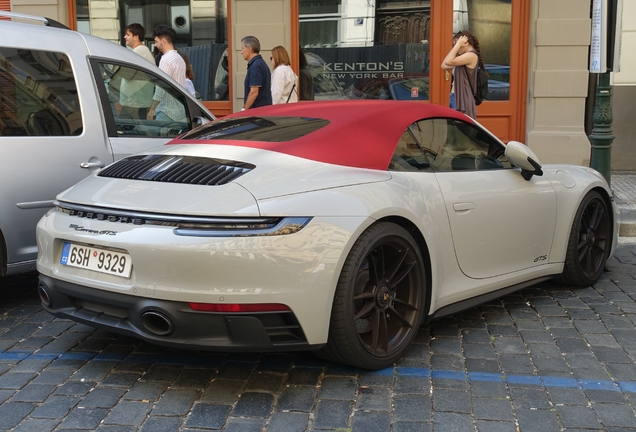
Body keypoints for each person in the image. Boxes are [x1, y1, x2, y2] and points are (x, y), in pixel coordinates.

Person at [441, 30, 485, 119]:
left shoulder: (471, 56)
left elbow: (449, 61)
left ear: (465, 43)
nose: (456, 47)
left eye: (457, 44)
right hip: (456, 97)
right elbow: (444, 65)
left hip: (462, 99)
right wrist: (457, 46)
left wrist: (457, 46)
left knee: (459, 129)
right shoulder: (463, 58)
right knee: (455, 128)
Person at [148, 25, 186, 122]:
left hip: (166, 111)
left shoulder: (165, 59)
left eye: (156, 41)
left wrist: (152, 110)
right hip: (179, 111)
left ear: (163, 41)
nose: (155, 45)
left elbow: (161, 87)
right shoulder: (179, 58)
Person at [119, 23, 154, 119]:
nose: (124, 37)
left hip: (135, 103)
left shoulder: (139, 51)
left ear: (136, 37)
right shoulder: (140, 51)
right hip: (135, 102)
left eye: (128, 34)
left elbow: (127, 73)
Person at [240, 36, 272, 110]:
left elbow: (254, 92)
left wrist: (244, 109)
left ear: (249, 49)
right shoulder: (260, 63)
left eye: (242, 48)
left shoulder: (255, 66)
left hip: (257, 113)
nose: (241, 52)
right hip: (263, 111)